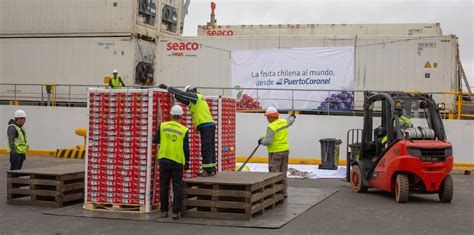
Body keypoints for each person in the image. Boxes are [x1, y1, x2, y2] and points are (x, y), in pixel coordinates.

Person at [159, 84, 216, 177]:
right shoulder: (198, 99)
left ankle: (207, 170)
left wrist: (168, 88)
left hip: (206, 125)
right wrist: (175, 96)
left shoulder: (196, 97)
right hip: (209, 125)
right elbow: (182, 98)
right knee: (210, 148)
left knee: (206, 149)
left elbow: (182, 94)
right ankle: (212, 168)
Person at [153, 105, 189, 219]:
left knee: (164, 186)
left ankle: (164, 211)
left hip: (164, 160)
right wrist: (187, 161)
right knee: (177, 187)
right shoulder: (184, 130)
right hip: (177, 161)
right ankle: (176, 212)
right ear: (181, 116)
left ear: (171, 115)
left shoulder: (162, 126)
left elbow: (156, 140)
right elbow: (186, 148)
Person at [258, 107, 296, 198]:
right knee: (283, 173)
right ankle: (284, 192)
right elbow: (290, 121)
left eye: (267, 117)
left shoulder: (271, 127)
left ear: (271, 117)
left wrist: (261, 141)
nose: (267, 119)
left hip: (275, 153)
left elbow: (269, 141)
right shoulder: (283, 122)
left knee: (273, 173)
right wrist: (293, 116)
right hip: (285, 151)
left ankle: (273, 193)